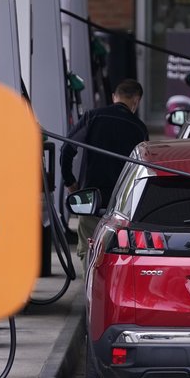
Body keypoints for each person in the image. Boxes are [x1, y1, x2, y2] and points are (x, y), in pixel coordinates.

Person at [60, 79, 148, 259]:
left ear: (114, 97)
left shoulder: (93, 117)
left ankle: (89, 287)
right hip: (123, 206)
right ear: (136, 100)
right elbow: (143, 170)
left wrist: (70, 182)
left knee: (88, 253)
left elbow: (66, 150)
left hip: (91, 200)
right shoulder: (139, 129)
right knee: (116, 256)